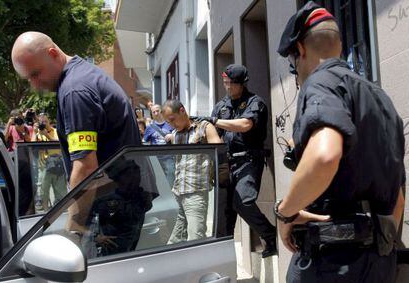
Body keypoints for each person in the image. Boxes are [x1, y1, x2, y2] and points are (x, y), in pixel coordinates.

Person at [276, 2, 405, 282]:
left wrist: (285, 213)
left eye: (292, 63)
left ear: (300, 50)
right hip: (379, 262)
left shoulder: (320, 83)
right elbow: (398, 196)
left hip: (334, 261)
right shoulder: (381, 99)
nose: (295, 71)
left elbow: (325, 155)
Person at [11, 31, 142, 237]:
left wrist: (74, 225)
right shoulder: (84, 75)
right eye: (28, 78)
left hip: (113, 208)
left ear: (53, 54)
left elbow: (86, 166)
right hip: (120, 200)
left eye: (36, 74)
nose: (34, 85)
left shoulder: (74, 91)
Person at [209, 64, 276, 258]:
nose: (228, 87)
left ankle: (269, 235)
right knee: (226, 213)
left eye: (231, 83)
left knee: (243, 201)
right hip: (227, 163)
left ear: (242, 83)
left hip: (249, 160)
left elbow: (245, 125)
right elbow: (215, 134)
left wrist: (213, 121)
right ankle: (224, 258)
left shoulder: (255, 102)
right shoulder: (221, 106)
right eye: (225, 83)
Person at [162, 100, 221, 243]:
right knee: (173, 242)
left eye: (172, 120)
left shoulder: (204, 127)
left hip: (195, 192)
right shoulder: (175, 133)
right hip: (178, 193)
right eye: (168, 122)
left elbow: (220, 150)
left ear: (182, 111)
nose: (171, 125)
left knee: (196, 239)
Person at [32, 113, 66, 211]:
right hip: (43, 167)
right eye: (41, 122)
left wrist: (46, 135)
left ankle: (60, 212)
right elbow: (31, 147)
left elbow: (60, 144)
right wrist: (35, 133)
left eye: (45, 122)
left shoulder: (56, 131)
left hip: (57, 166)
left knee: (61, 192)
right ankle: (46, 213)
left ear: (49, 121)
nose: (44, 124)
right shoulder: (37, 134)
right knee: (43, 193)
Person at [144, 104, 175, 186]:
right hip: (156, 159)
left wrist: (173, 136)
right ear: (152, 114)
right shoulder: (149, 127)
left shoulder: (170, 124)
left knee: (170, 181)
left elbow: (179, 136)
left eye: (157, 111)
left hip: (169, 157)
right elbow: (145, 141)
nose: (156, 113)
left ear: (161, 111)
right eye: (153, 112)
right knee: (158, 181)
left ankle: (170, 196)